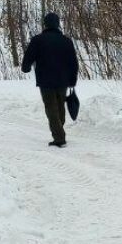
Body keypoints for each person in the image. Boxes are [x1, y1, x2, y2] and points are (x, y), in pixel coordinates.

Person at [21, 12, 79, 147]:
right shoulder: (66, 41)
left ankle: (59, 137)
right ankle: (59, 129)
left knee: (51, 108)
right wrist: (72, 80)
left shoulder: (38, 40)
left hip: (45, 80)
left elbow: (28, 57)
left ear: (45, 24)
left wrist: (26, 68)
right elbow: (73, 62)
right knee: (59, 106)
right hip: (63, 80)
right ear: (58, 24)